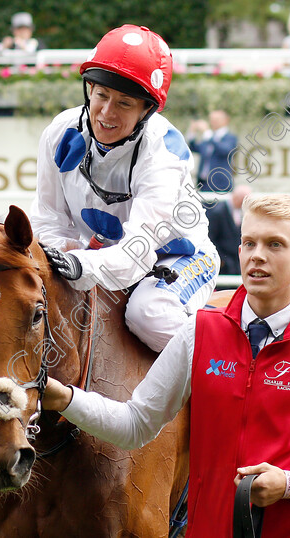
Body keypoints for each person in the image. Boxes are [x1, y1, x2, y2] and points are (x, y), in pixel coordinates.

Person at [42, 194, 290, 537]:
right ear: (238, 251)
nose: (258, 256)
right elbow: (135, 424)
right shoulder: (198, 331)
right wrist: (66, 400)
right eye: (250, 243)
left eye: (275, 245)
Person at [30, 24, 219, 352]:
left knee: (148, 315)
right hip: (99, 256)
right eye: (101, 95)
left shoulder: (164, 153)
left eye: (124, 103)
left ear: (147, 109)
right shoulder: (59, 133)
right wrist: (65, 250)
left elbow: (139, 250)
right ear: (89, 88)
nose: (106, 112)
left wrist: (81, 264)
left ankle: (229, 366)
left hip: (178, 256)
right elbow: (47, 219)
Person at [187, 109, 238, 193]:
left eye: (216, 119)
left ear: (226, 120)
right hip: (203, 184)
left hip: (220, 185)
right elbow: (194, 148)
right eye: (211, 119)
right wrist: (192, 131)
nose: (213, 122)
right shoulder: (208, 137)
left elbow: (224, 150)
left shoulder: (230, 137)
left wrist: (207, 132)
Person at [206, 184, 251, 277]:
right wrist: (220, 259)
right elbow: (210, 237)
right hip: (224, 261)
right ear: (237, 198)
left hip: (235, 261)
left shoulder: (239, 212)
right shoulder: (217, 212)